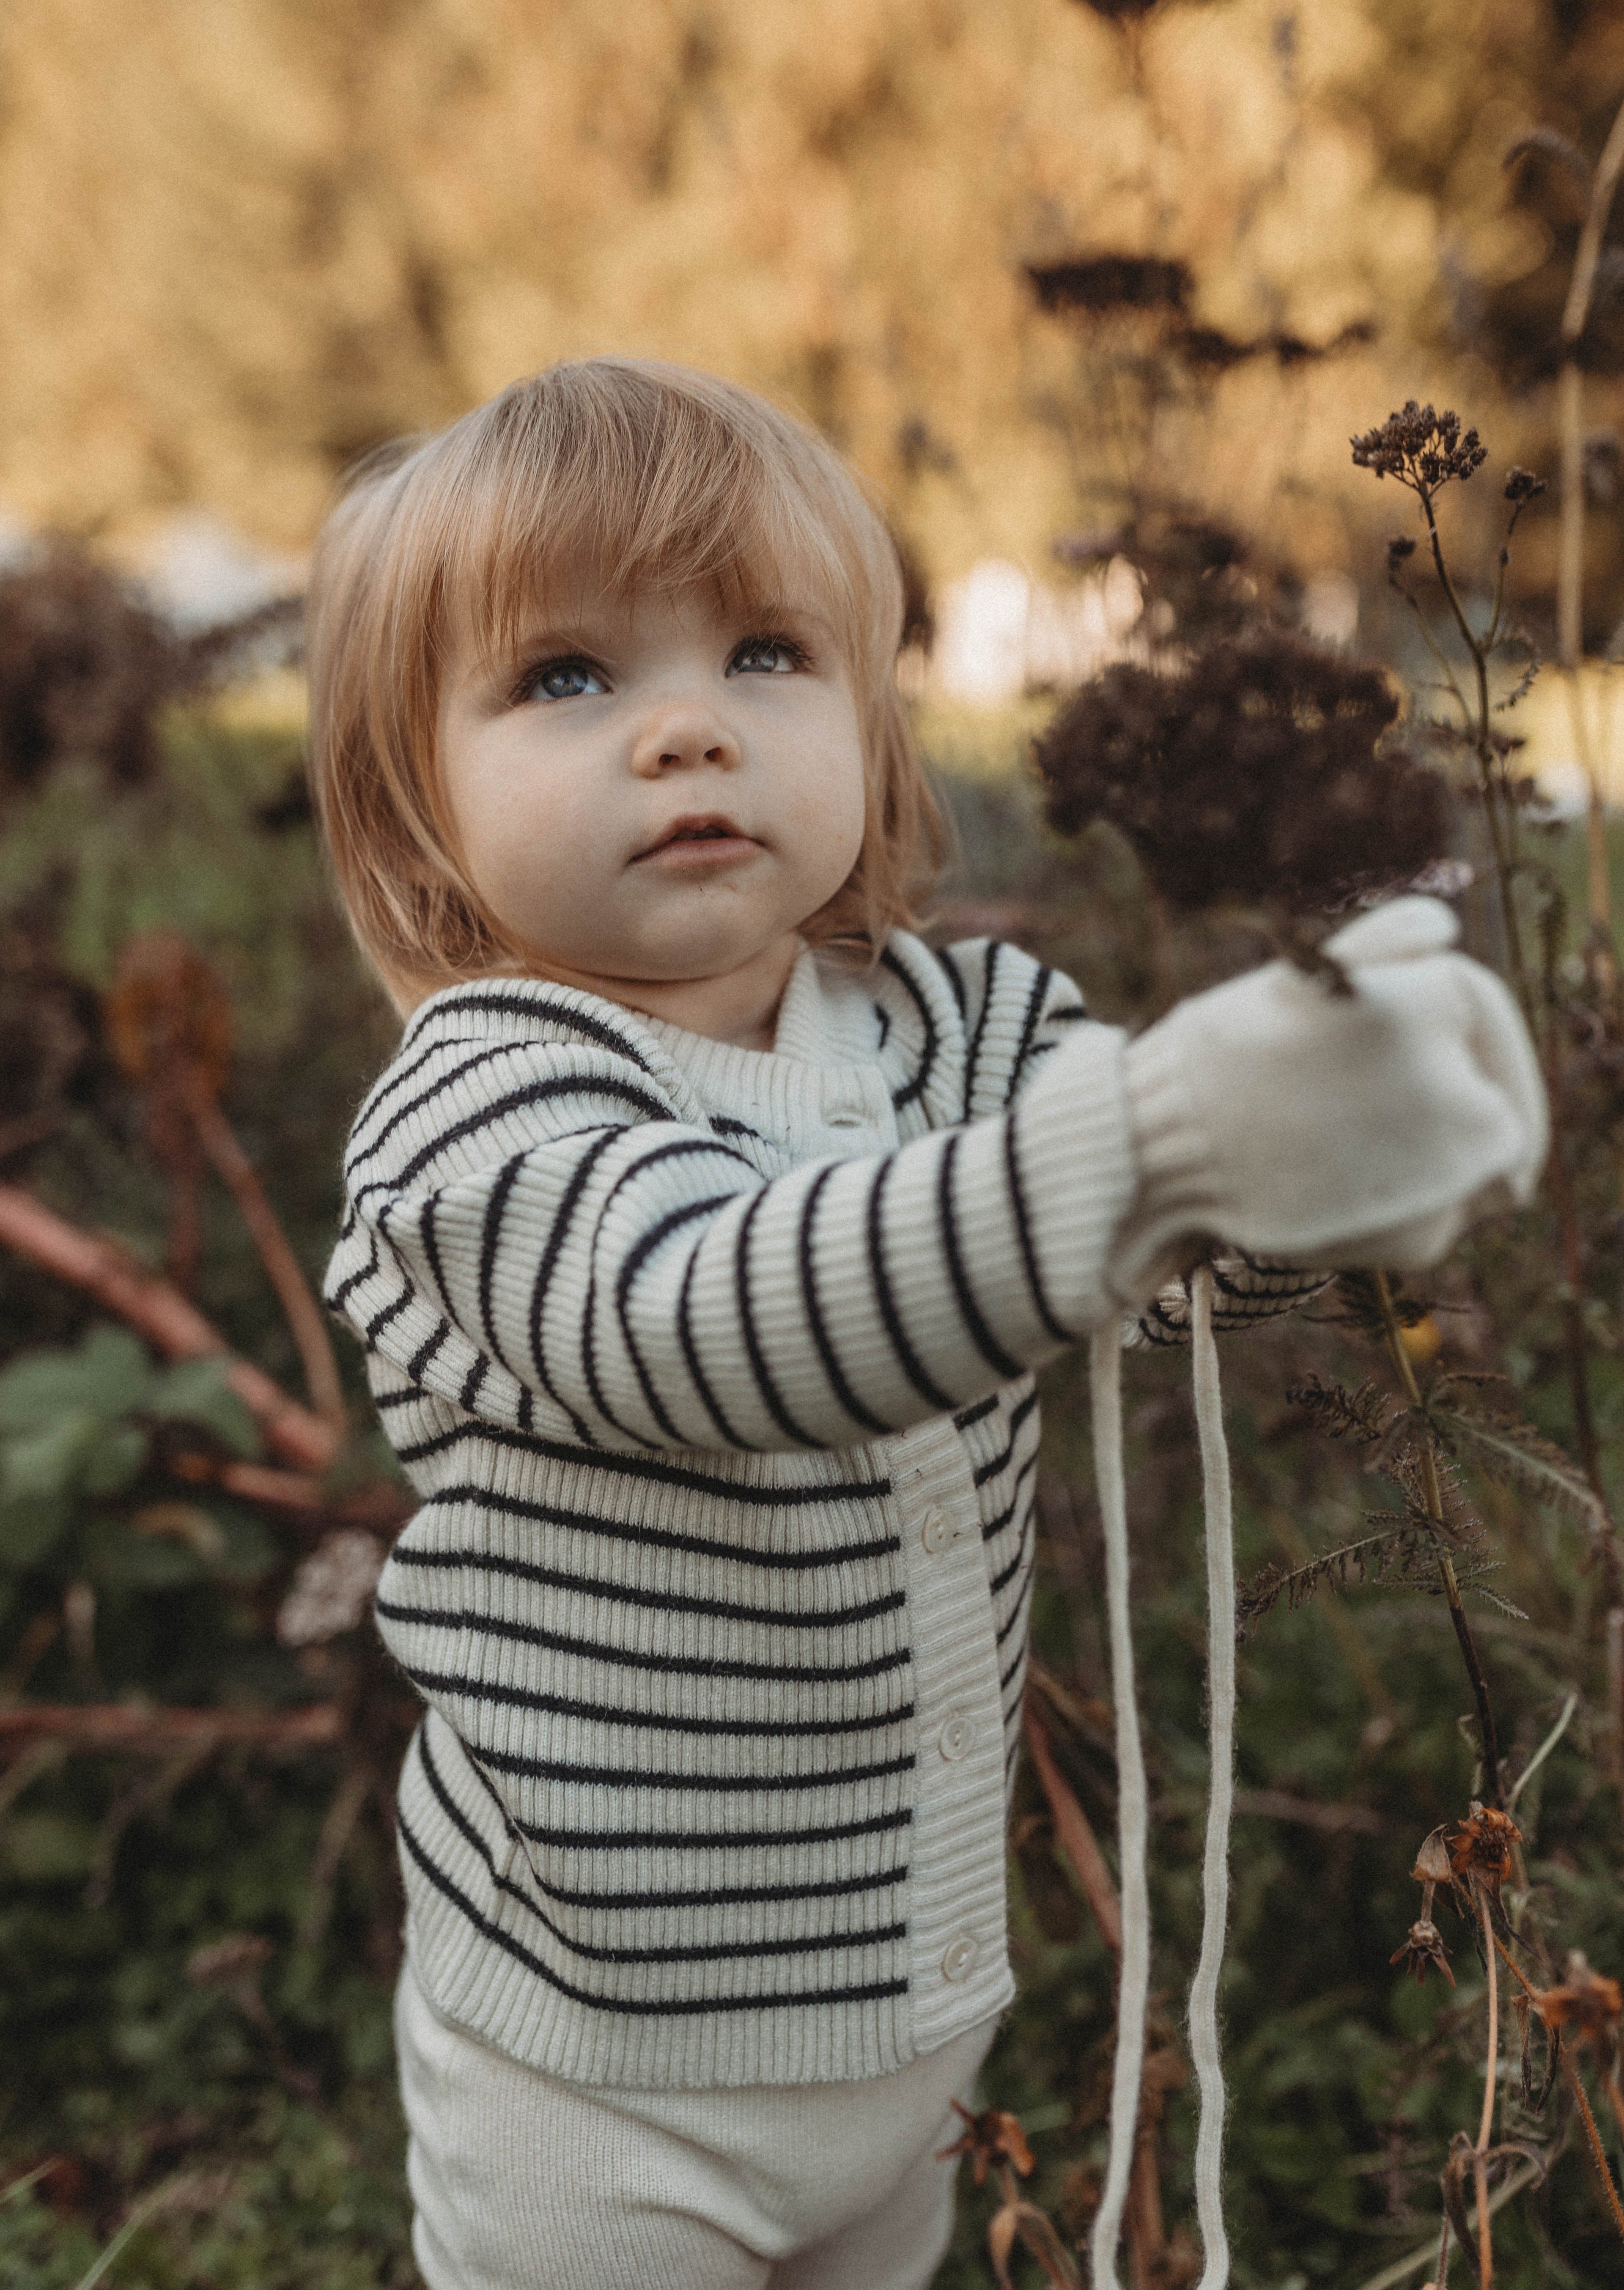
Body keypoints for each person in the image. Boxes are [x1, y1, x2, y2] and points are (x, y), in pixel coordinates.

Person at [310, 357, 1547, 2290]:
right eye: (566, 676)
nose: (688, 730)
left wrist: (1320, 1162)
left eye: (767, 654)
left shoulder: (963, 1031)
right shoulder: (478, 1114)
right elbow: (712, 1323)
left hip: (913, 2019)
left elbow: (1148, 1259)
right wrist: (1155, 1140)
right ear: (413, 809)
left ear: (875, 725)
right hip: (606, 2082)